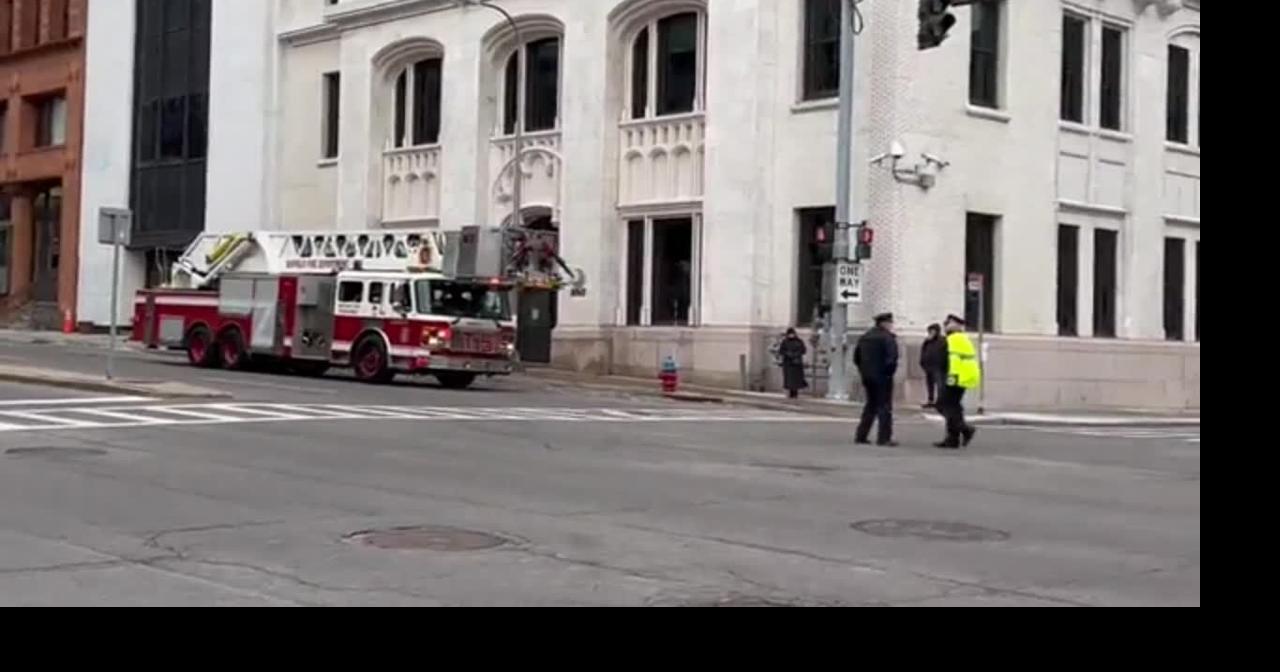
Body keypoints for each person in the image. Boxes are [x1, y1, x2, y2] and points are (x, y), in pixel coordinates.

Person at [935, 314, 982, 449]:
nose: (945, 325)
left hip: (955, 377)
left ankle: (965, 429)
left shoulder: (955, 339)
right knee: (954, 407)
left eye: (948, 323)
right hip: (959, 377)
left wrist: (951, 378)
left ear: (957, 325)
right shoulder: (957, 338)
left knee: (944, 405)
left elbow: (953, 361)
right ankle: (952, 439)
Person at [853, 312, 899, 446]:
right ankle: (884, 438)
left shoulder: (865, 337)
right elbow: (892, 359)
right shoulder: (888, 338)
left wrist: (864, 371)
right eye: (890, 323)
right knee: (884, 407)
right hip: (882, 377)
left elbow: (856, 358)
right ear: (884, 323)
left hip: (867, 377)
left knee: (870, 405)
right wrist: (888, 373)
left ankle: (861, 435)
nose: (891, 325)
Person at [919, 323, 946, 408]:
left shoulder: (942, 340)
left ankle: (941, 401)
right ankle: (930, 400)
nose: (931, 332)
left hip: (938, 366)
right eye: (930, 331)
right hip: (928, 366)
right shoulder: (927, 341)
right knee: (930, 384)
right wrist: (922, 362)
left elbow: (945, 353)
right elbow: (923, 351)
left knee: (939, 384)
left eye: (933, 331)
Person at [778, 328, 808, 399]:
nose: (791, 335)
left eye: (792, 334)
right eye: (790, 334)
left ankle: (795, 393)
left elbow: (803, 350)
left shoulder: (799, 341)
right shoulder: (785, 342)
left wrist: (796, 354)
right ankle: (791, 392)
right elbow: (781, 351)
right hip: (788, 363)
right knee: (789, 380)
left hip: (796, 363)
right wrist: (788, 354)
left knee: (796, 380)